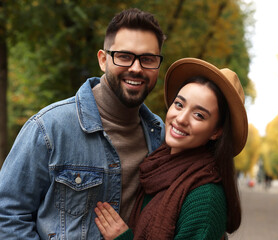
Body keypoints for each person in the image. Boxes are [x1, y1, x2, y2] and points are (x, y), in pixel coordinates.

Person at [0, 8, 166, 239]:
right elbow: (7, 215)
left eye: (148, 59)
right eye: (124, 56)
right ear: (103, 59)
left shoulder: (160, 136)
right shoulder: (49, 128)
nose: (136, 68)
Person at [94, 58, 249, 240]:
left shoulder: (205, 198)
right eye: (179, 104)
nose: (181, 118)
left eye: (199, 115)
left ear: (216, 131)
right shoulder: (156, 166)